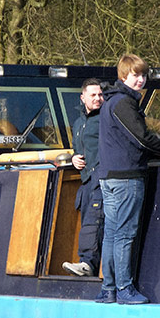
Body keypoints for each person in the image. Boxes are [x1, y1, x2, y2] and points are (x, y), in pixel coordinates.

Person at [95, 54, 160, 304]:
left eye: (143, 75)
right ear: (124, 76)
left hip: (110, 176)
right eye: (135, 75)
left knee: (112, 233)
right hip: (126, 177)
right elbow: (142, 137)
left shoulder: (110, 101)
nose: (140, 80)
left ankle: (108, 289)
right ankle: (124, 288)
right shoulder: (123, 103)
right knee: (124, 234)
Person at [62, 78, 105, 277]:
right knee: (88, 221)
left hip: (101, 177)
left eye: (100, 95)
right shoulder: (78, 123)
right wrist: (74, 158)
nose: (98, 98)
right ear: (83, 98)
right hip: (86, 180)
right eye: (93, 95)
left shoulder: (106, 118)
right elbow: (77, 148)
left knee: (94, 222)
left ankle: (87, 264)